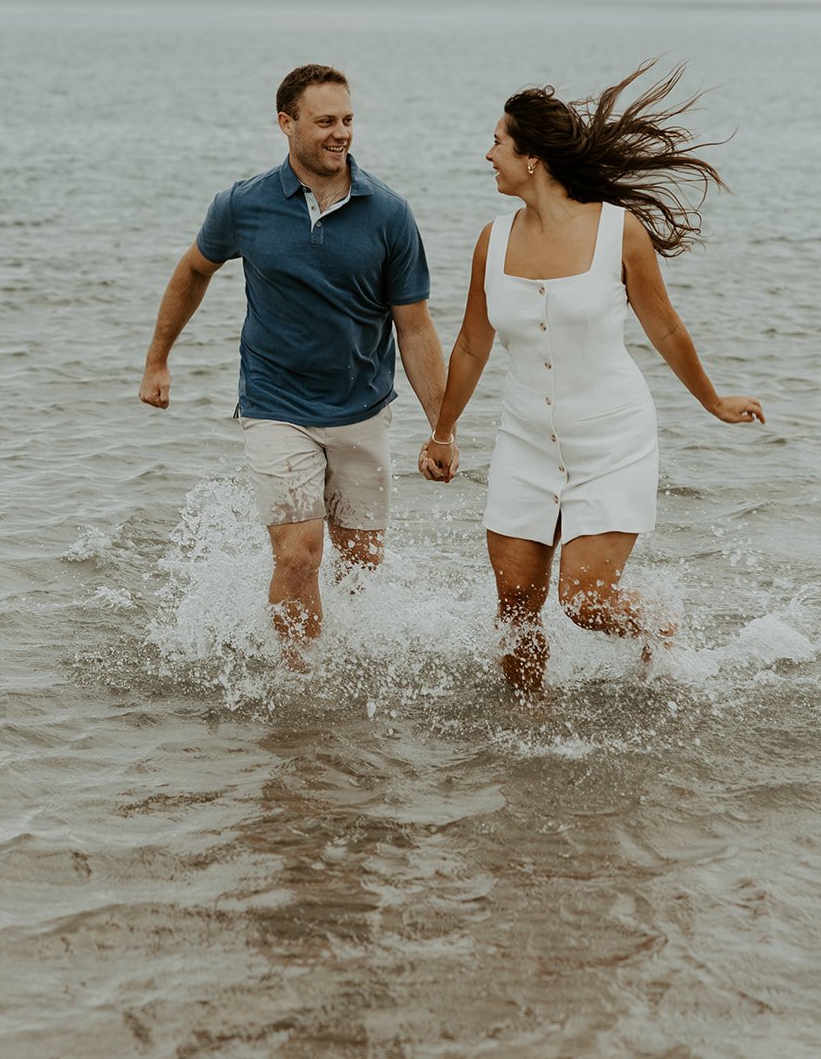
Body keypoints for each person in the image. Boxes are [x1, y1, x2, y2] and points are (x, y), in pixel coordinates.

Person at [419, 63, 764, 691]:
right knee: (518, 609)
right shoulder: (491, 242)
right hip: (524, 440)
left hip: (611, 438)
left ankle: (659, 626)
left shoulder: (617, 230)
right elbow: (471, 344)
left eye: (498, 141)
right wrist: (442, 430)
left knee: (585, 601)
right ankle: (526, 732)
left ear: (533, 158)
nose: (487, 153)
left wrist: (713, 402)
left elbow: (664, 328)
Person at [139, 63, 448, 663]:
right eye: (325, 121)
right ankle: (298, 682)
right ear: (287, 123)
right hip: (275, 403)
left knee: (360, 563)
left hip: (362, 406)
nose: (341, 133)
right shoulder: (242, 204)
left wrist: (443, 427)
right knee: (300, 554)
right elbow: (194, 271)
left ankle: (348, 665)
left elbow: (414, 326)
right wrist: (158, 360)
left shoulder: (389, 212)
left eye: (349, 120)